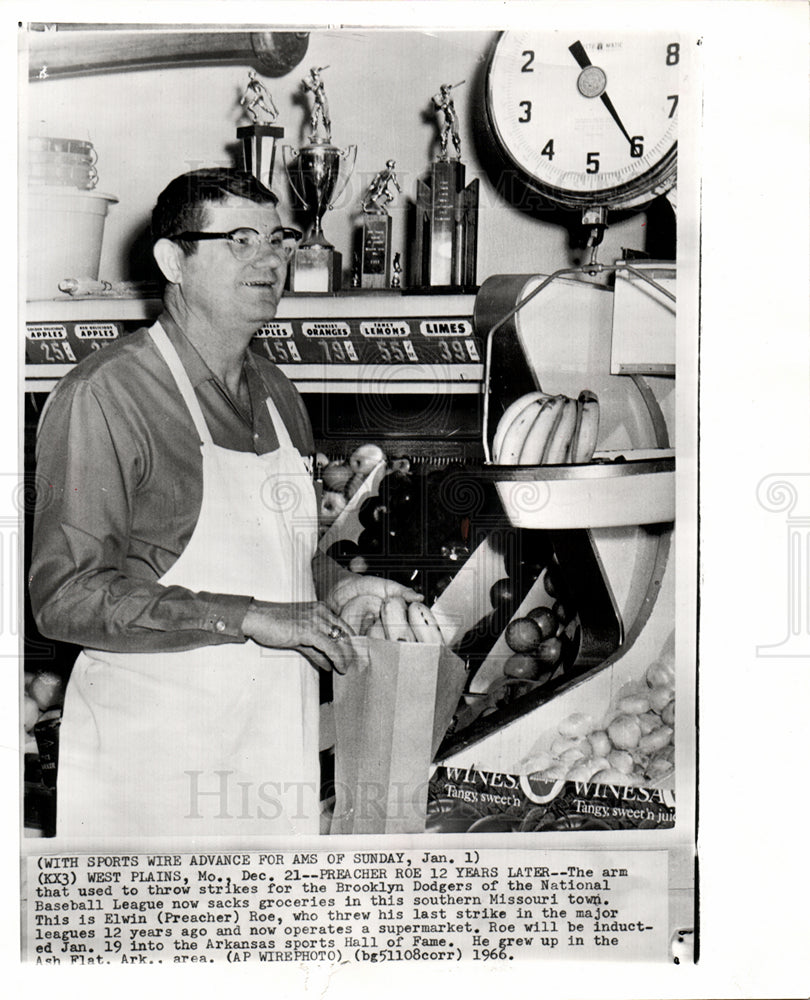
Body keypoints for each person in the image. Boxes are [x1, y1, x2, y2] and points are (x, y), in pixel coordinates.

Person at [30, 168, 420, 837]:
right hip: (154, 778)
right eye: (240, 240)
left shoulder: (278, 393)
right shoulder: (108, 394)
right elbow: (64, 597)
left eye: (279, 240)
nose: (269, 259)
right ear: (173, 259)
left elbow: (278, 565)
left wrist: (338, 589)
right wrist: (245, 617)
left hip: (272, 760)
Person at [432, 83, 463, 160]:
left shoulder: (449, 98)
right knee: (442, 134)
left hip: (453, 119)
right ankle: (443, 153)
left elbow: (444, 105)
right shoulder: (443, 98)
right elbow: (436, 109)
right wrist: (435, 102)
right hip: (447, 119)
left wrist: (437, 100)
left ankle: (458, 153)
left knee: (454, 135)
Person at [302, 66, 331, 142]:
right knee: (313, 116)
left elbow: (314, 88)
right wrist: (305, 84)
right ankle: (313, 132)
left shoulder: (319, 80)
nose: (314, 76)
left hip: (323, 98)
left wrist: (308, 83)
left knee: (325, 116)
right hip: (317, 99)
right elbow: (305, 91)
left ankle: (328, 133)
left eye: (315, 74)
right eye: (313, 74)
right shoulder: (313, 80)